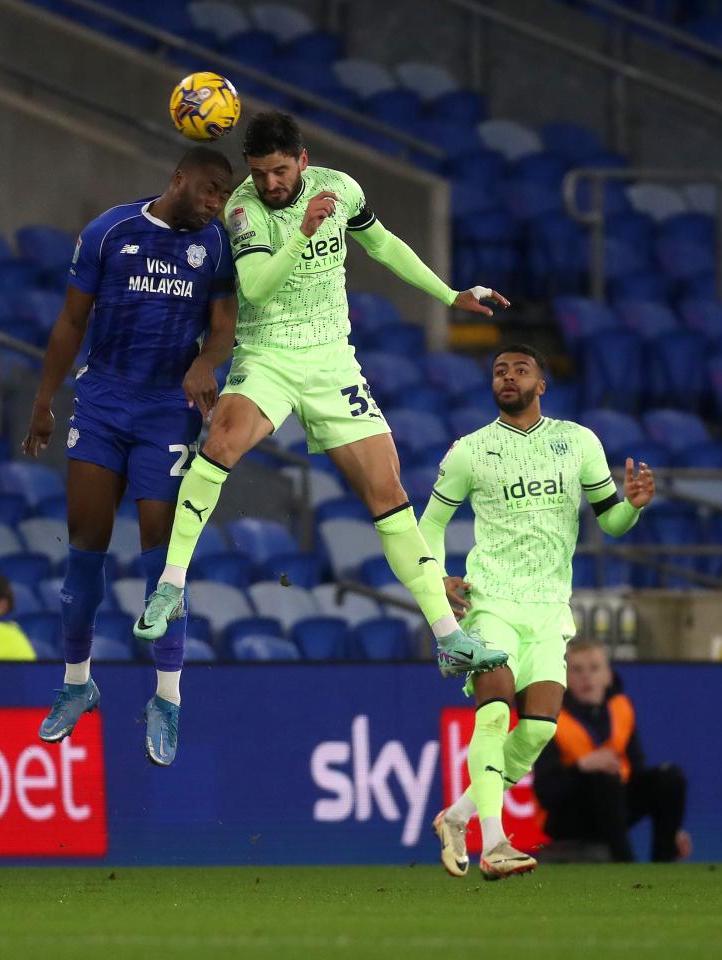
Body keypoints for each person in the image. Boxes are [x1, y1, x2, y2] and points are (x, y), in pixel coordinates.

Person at [134, 110, 509, 680]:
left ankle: (449, 638)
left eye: (279, 172)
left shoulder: (342, 188)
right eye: (260, 173)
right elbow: (257, 286)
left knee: (388, 490)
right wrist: (303, 232)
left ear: (303, 162)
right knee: (223, 442)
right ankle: (171, 586)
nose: (270, 184)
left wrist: (448, 293)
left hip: (333, 361)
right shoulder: (242, 210)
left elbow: (382, 246)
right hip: (269, 355)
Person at [22, 146, 237, 765]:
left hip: (166, 410)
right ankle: (76, 683)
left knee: (160, 563)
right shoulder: (109, 230)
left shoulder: (216, 246)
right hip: (101, 402)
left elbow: (223, 326)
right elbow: (69, 321)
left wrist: (202, 362)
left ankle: (165, 697)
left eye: (225, 194)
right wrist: (44, 400)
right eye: (211, 188)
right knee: (84, 551)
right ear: (179, 178)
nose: (216, 201)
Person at [420, 344, 655, 880]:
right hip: (491, 602)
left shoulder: (577, 443)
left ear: (541, 383)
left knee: (539, 730)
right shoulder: (470, 451)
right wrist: (438, 579)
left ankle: (457, 817)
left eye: (520, 369)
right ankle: (495, 841)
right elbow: (428, 526)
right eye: (499, 370)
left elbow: (610, 522)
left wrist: (633, 507)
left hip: (551, 608)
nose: (508, 376)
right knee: (496, 714)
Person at [533, 637, 691, 863]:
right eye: (576, 670)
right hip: (567, 814)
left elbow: (637, 772)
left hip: (615, 805)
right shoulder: (551, 719)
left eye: (594, 668)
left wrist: (671, 825)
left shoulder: (621, 709)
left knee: (670, 777)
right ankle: (625, 866)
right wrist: (581, 767)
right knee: (603, 778)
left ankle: (664, 863)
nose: (586, 676)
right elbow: (547, 793)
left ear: (608, 676)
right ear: (565, 678)